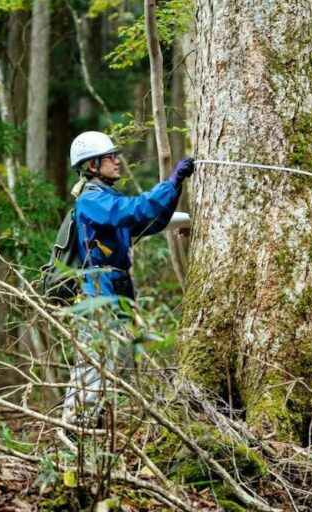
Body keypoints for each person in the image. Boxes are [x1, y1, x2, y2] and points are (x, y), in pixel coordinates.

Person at [61, 130, 194, 426]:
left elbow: (147, 221)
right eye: (110, 157)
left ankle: (98, 431)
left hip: (117, 287)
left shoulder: (107, 199)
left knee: (119, 363)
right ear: (92, 165)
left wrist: (181, 206)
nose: (116, 161)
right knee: (96, 362)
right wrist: (169, 183)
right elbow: (133, 211)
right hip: (98, 290)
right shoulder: (91, 201)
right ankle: (74, 429)